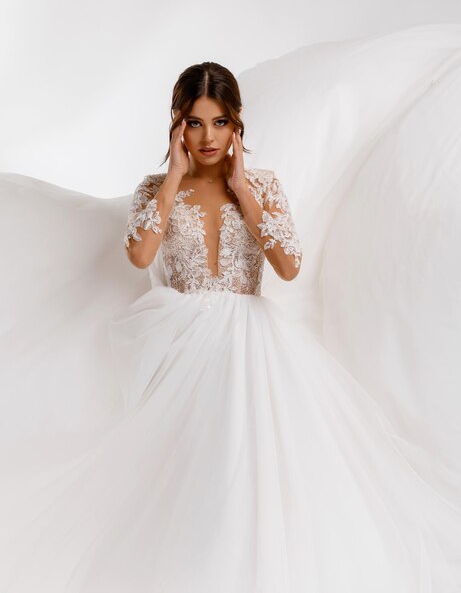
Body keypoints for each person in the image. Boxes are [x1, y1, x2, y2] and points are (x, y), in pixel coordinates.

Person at [0, 61, 460, 593]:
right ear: (177, 125)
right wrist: (172, 178)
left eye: (219, 122)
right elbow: (139, 254)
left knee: (253, 475)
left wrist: (243, 190)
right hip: (181, 347)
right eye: (195, 123)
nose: (208, 136)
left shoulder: (263, 186)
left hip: (254, 346)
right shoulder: (156, 188)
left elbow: (289, 265)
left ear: (238, 123)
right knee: (191, 478)